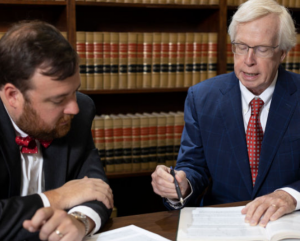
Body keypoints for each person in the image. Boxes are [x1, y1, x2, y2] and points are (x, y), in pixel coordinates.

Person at [152, 0, 300, 228]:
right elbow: (194, 167)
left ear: (282, 53)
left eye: (261, 49)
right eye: (241, 46)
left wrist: (291, 195)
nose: (248, 60)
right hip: (225, 226)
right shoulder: (202, 97)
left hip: (287, 225)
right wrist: (182, 186)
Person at [0, 20, 113, 241]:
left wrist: (79, 222)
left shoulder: (79, 112)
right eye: (59, 99)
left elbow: (97, 189)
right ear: (13, 96)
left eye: (75, 92)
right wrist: (57, 197)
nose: (74, 108)